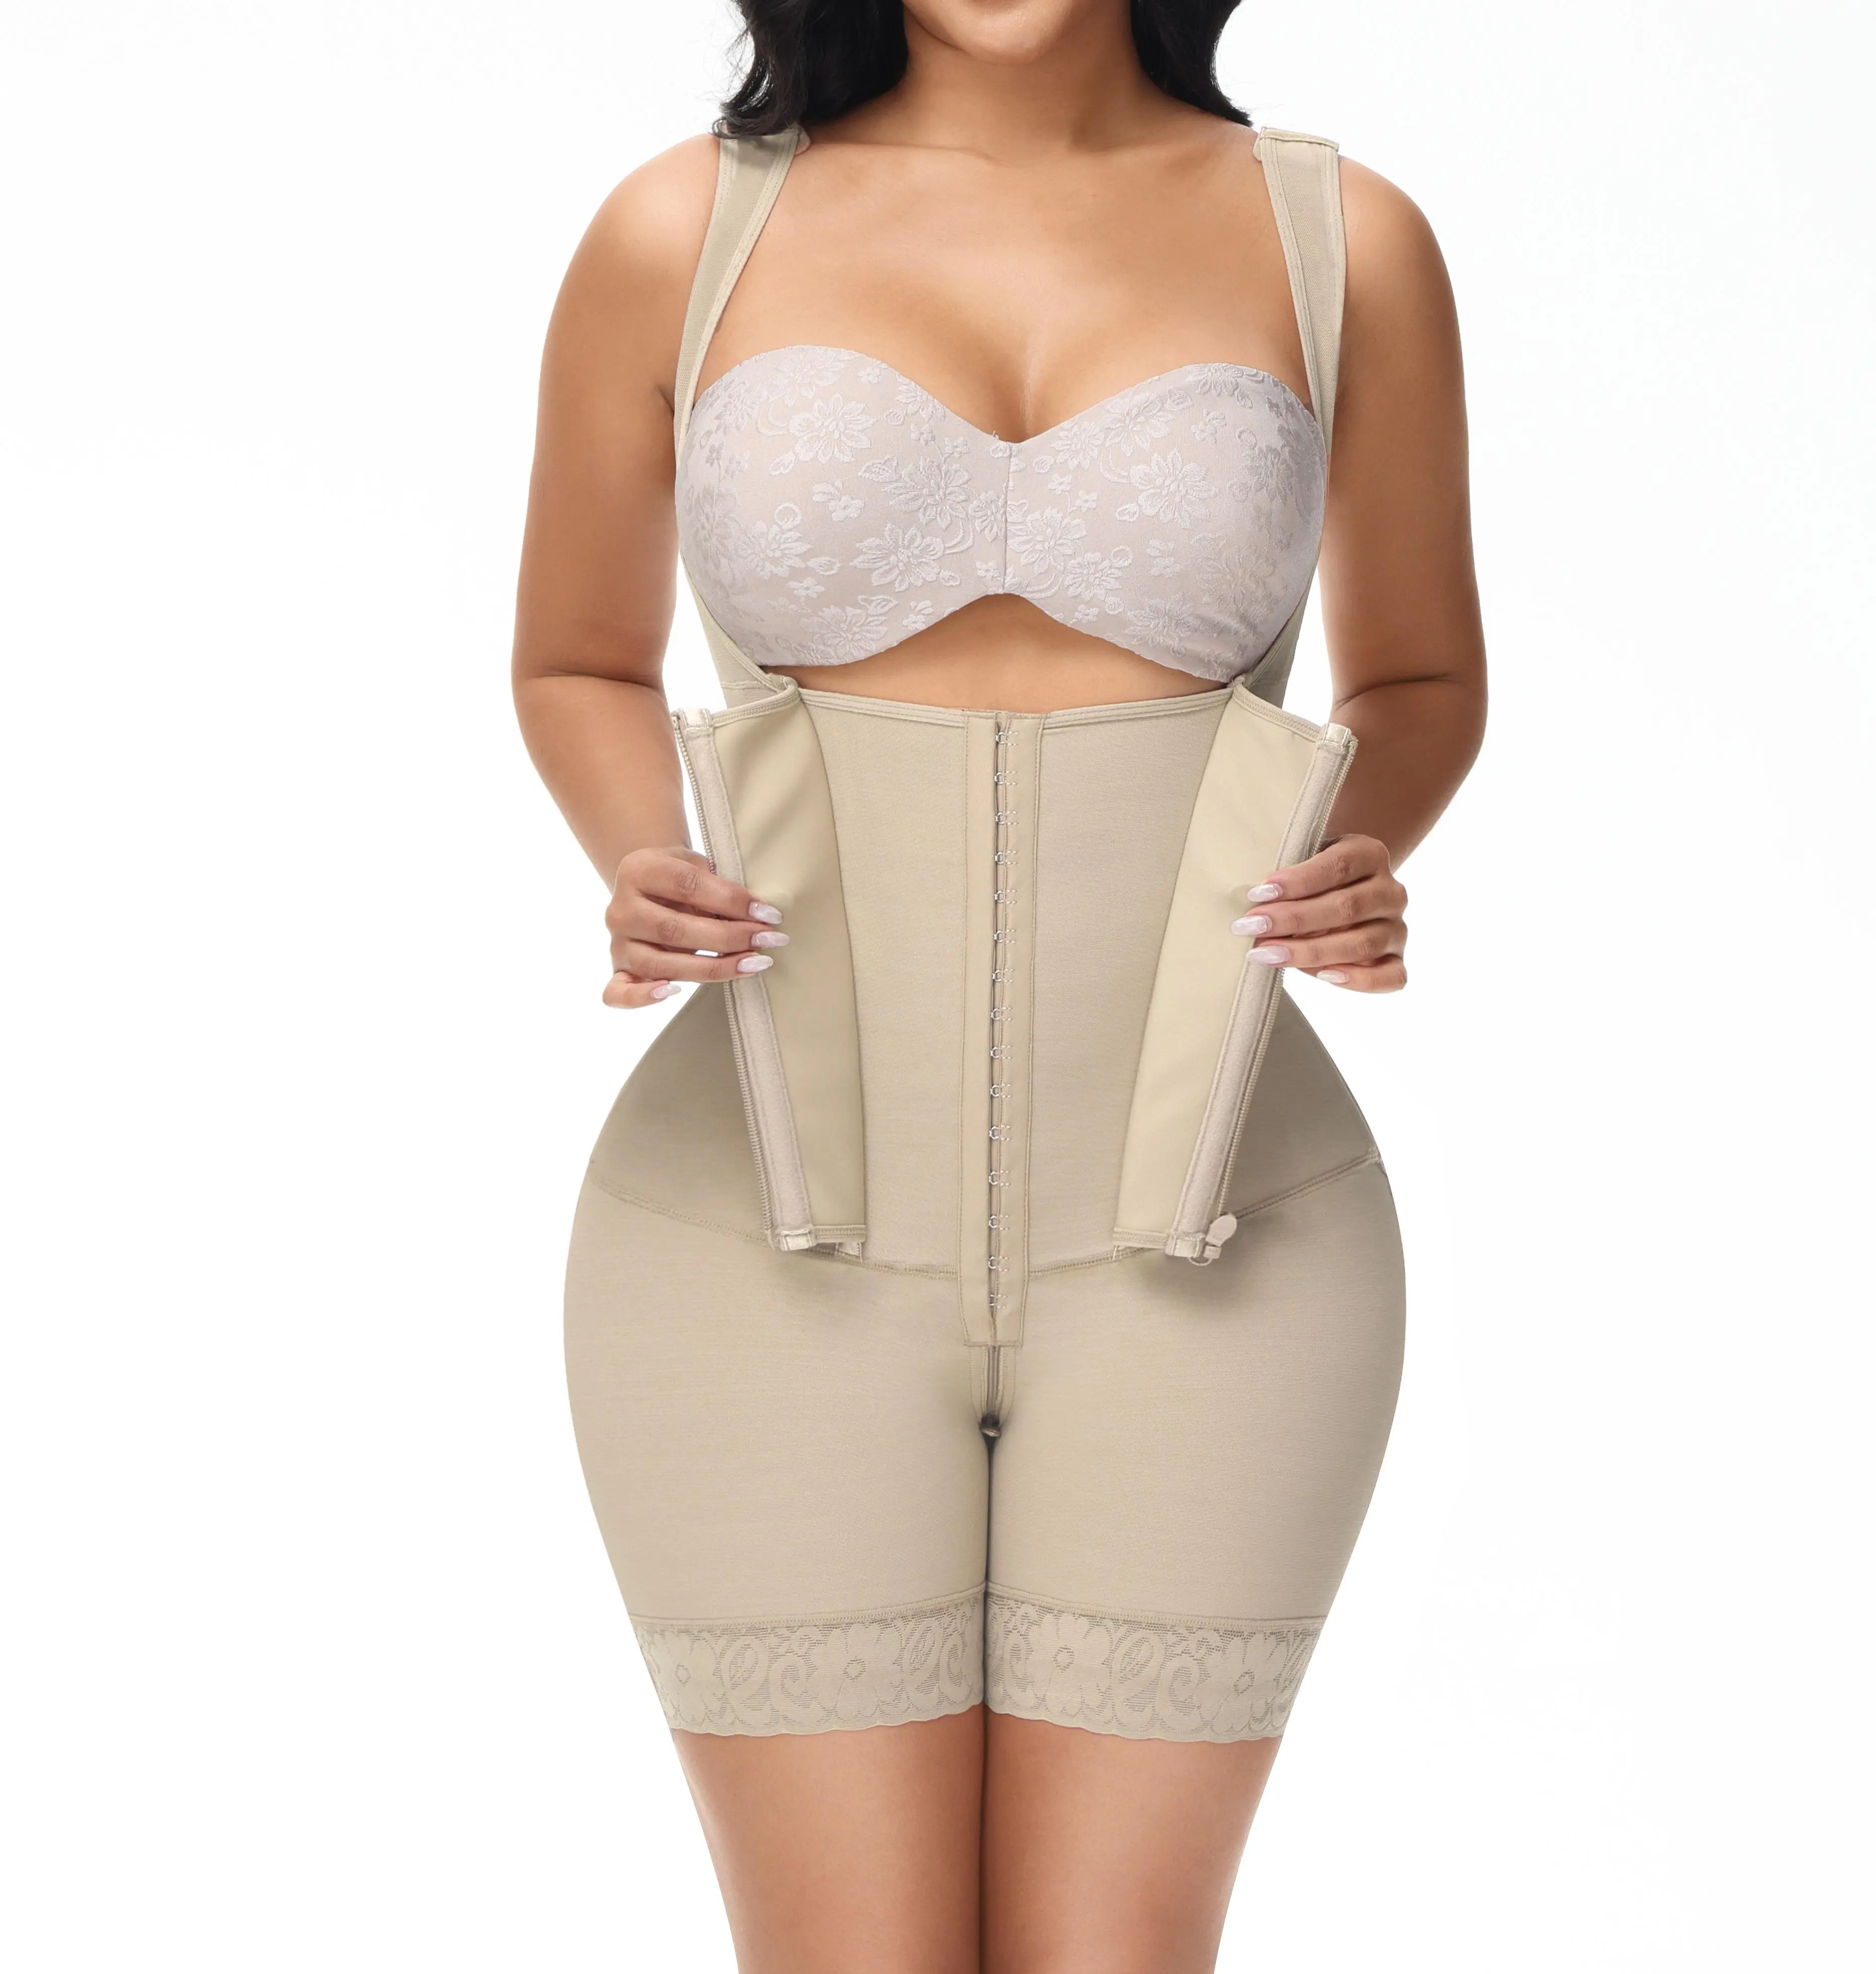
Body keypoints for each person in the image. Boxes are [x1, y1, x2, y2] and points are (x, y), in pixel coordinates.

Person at [512, 1, 1484, 1965]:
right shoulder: (680, 229)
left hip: (1224, 1239)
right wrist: (637, 856)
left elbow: (1418, 678)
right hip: (749, 1238)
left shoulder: (1342, 239)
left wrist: (1353, 849)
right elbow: (576, 656)